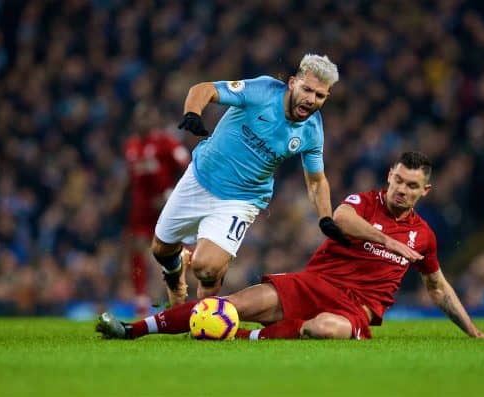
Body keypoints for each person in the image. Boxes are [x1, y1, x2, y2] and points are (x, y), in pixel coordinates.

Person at [97, 151, 484, 340]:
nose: (402, 190)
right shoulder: (364, 202)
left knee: (328, 330)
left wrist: (473, 331)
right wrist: (387, 239)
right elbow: (339, 219)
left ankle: (241, 338)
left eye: (412, 186)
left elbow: (438, 287)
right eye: (398, 181)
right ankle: (132, 330)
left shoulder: (424, 235)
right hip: (311, 283)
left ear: (426, 190)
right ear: (389, 176)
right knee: (228, 305)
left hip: (354, 308)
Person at [152, 54, 423, 307]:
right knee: (161, 249)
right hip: (200, 177)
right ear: (292, 83)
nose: (311, 99)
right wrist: (193, 113)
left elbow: (316, 181)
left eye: (319, 95)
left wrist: (325, 218)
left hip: (241, 199)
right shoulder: (262, 91)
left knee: (207, 267)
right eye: (307, 90)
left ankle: (199, 318)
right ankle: (175, 272)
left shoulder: (312, 130)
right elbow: (204, 89)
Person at [123, 102, 191, 316]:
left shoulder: (167, 143)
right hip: (140, 210)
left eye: (146, 116)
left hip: (165, 208)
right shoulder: (131, 145)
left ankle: (177, 294)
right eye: (139, 117)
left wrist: (170, 194)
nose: (142, 121)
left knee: (171, 251)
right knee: (137, 248)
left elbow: (187, 167)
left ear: (153, 120)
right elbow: (131, 178)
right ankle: (142, 299)